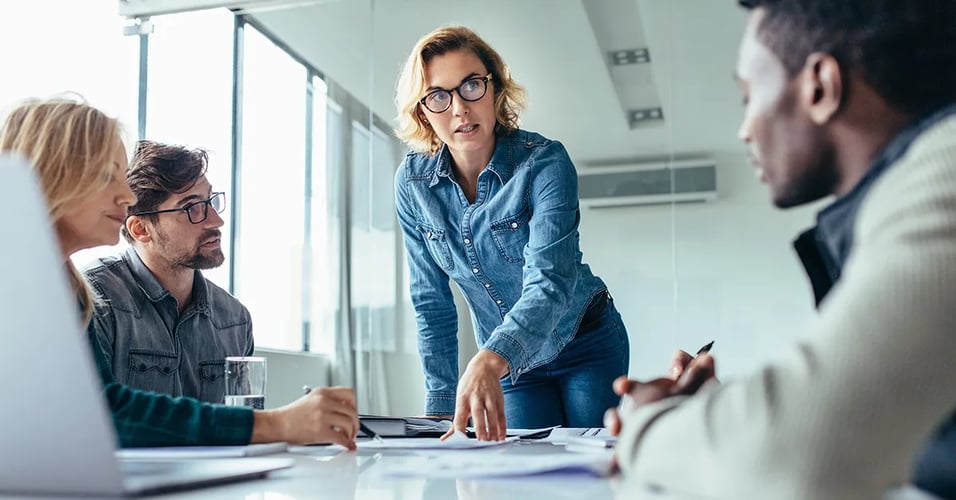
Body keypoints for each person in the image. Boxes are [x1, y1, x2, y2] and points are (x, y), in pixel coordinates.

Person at [608, 1, 956, 498]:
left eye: (748, 96)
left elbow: (794, 456)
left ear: (820, 86)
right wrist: (722, 422)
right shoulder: (907, 190)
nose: (744, 129)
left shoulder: (945, 174)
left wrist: (649, 422)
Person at [0, 96, 360, 448]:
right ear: (53, 175)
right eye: (107, 175)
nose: (125, 196)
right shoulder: (71, 291)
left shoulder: (67, 288)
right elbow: (99, 415)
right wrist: (278, 424)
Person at [393, 26, 629, 440]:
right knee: (524, 470)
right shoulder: (413, 185)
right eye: (438, 96)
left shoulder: (545, 163)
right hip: (510, 365)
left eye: (471, 85)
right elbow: (431, 303)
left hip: (585, 342)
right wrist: (439, 405)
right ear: (423, 111)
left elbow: (551, 281)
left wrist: (489, 358)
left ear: (495, 89)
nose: (460, 109)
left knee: (587, 472)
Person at [83, 140, 252, 403]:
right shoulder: (95, 300)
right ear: (141, 229)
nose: (216, 221)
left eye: (210, 201)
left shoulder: (235, 319)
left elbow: (246, 425)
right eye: (192, 208)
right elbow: (93, 421)